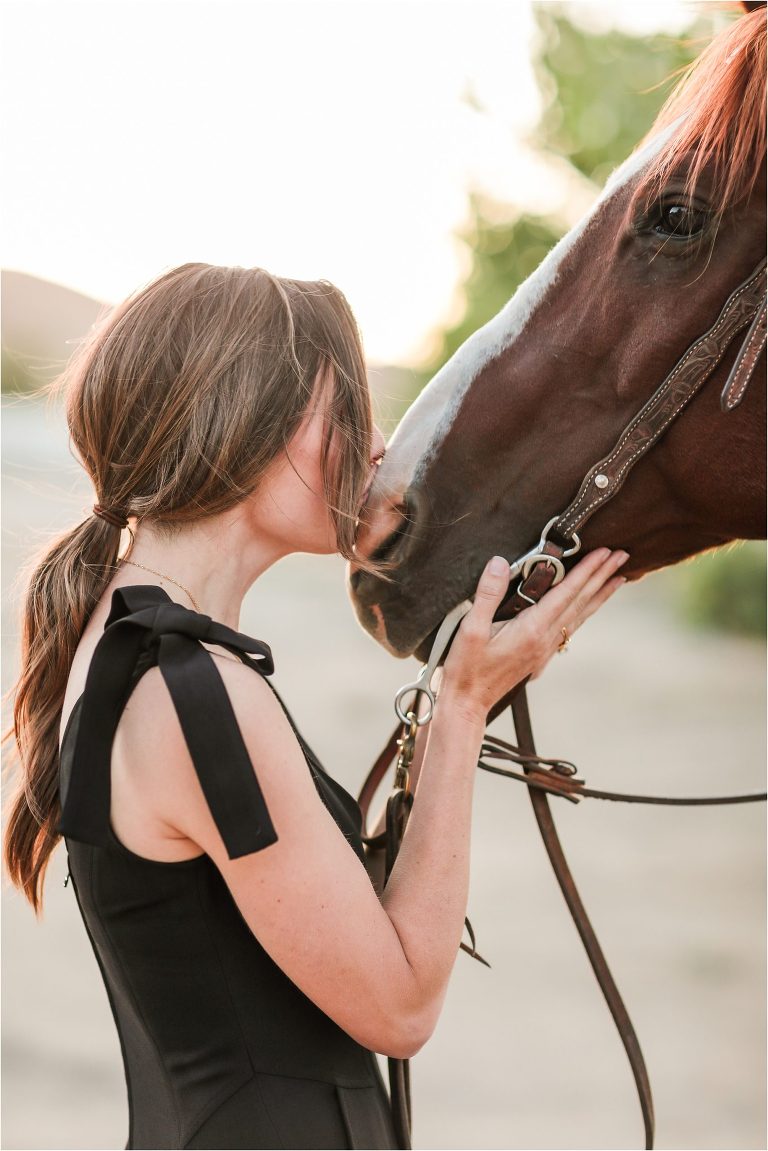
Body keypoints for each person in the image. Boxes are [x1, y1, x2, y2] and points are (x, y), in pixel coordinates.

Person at [4, 263, 628, 1150]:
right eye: (346, 412)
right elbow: (402, 1005)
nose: (376, 444)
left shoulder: (128, 639)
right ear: (248, 425)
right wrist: (462, 706)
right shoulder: (194, 695)